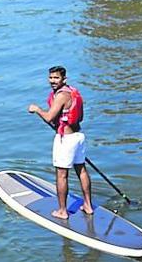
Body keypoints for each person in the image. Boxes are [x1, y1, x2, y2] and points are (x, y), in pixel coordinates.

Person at [27, 66, 93, 220]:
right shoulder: (73, 92)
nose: (52, 81)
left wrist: (37, 109)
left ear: (64, 79)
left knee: (61, 175)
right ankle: (88, 205)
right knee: (81, 170)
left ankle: (62, 211)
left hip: (66, 139)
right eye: (51, 78)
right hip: (78, 136)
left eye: (56, 78)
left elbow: (49, 117)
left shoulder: (62, 95)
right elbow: (78, 117)